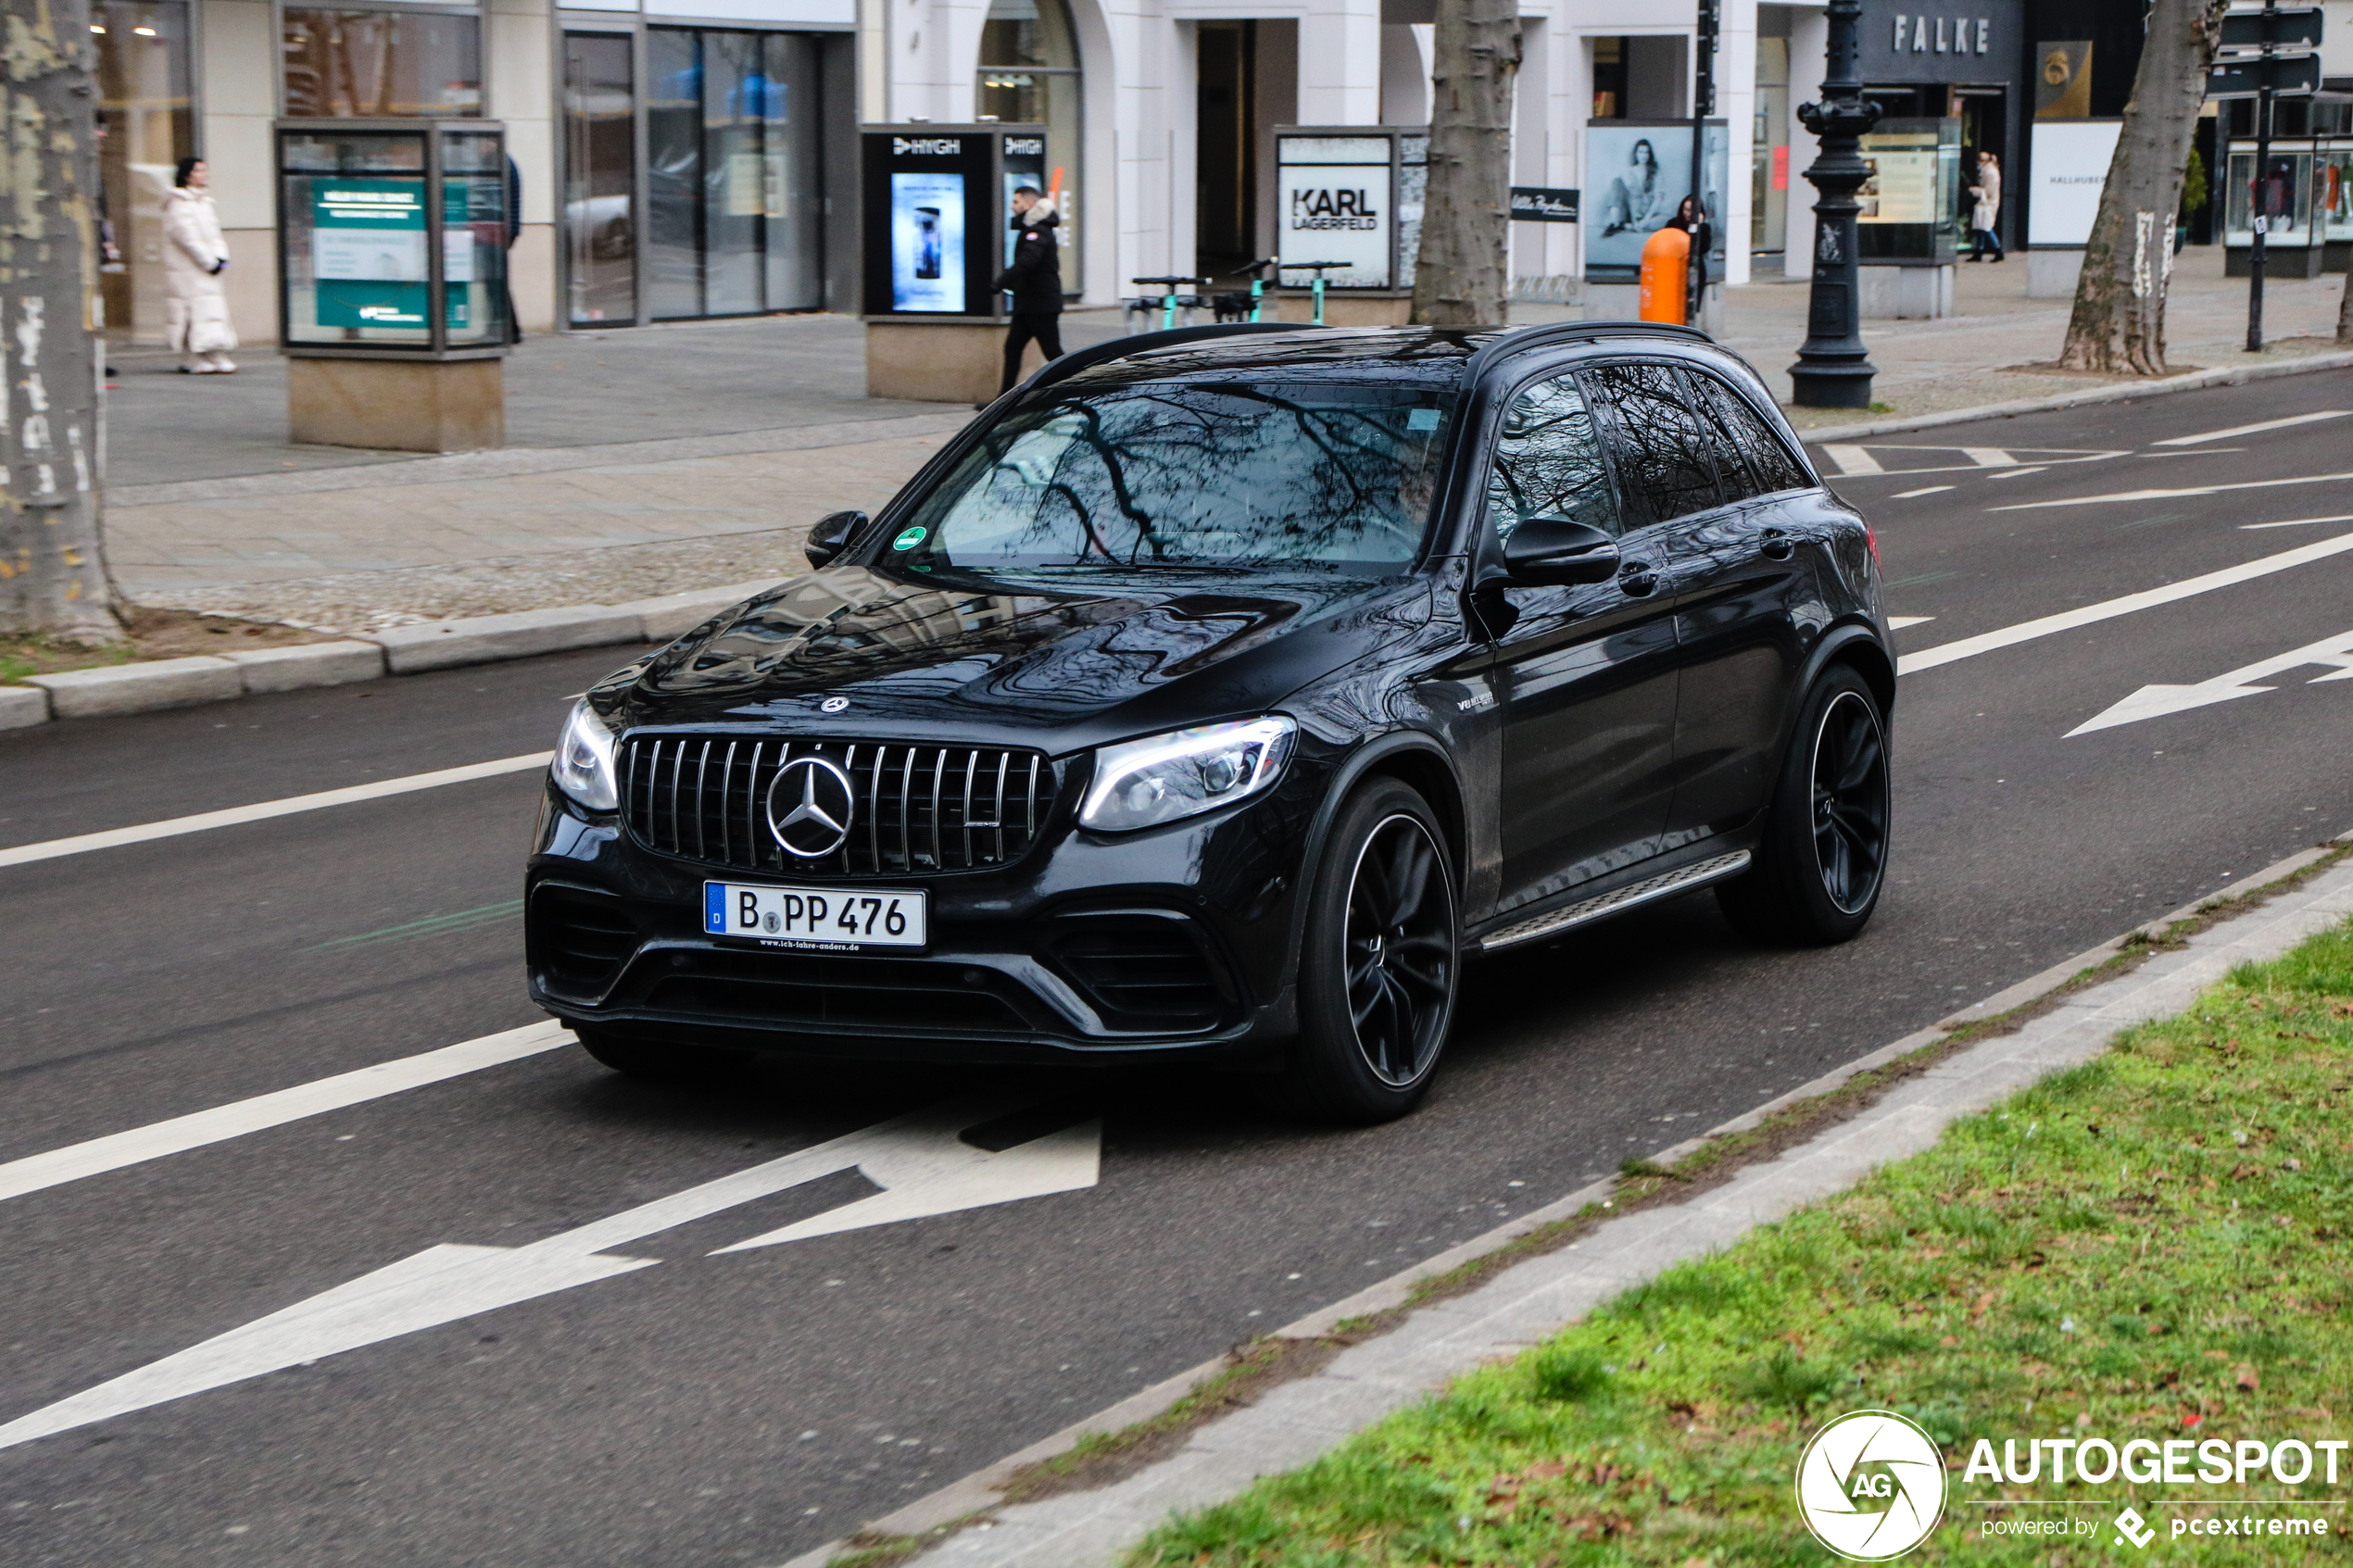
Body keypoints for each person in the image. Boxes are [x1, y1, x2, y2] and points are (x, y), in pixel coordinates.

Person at [163, 157, 238, 372]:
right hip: (187, 269)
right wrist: (208, 261)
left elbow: (214, 234)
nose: (204, 175)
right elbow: (187, 238)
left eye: (205, 171)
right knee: (190, 312)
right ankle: (193, 356)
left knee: (211, 311)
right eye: (199, 171)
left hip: (207, 268)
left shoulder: (204, 201)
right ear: (187, 175)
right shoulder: (178, 203)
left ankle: (214, 352)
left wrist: (221, 257)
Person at [989, 184, 1063, 401]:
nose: (1012, 207)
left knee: (1053, 354)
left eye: (1016, 202)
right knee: (1012, 349)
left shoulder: (1037, 231)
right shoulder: (1033, 229)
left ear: (1029, 204)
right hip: (1028, 304)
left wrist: (1000, 282)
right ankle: (1003, 401)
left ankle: (1077, 390)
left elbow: (1027, 262)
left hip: (1041, 305)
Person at [1598, 139, 1669, 238]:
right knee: (1617, 182)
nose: (1643, 155)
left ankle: (1630, 226)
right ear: (1636, 154)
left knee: (1666, 220)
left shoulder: (1656, 173)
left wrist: (1646, 219)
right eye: (1640, 152)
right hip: (1632, 213)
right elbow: (1620, 194)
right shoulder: (1629, 172)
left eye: (1646, 152)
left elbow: (1659, 198)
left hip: (1648, 215)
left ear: (1650, 155)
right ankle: (1616, 222)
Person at [1967, 151, 2004, 263]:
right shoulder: (1987, 171)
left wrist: (1974, 190)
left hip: (1988, 203)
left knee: (1986, 227)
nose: (1978, 164)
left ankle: (1998, 251)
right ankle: (1979, 252)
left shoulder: (1991, 173)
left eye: (1979, 162)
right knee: (1981, 228)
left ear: (1983, 161)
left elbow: (1989, 191)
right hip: (1985, 203)